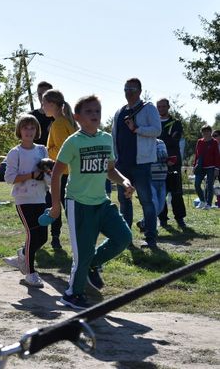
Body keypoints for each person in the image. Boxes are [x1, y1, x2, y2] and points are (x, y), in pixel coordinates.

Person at [48, 95, 133, 309]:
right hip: (78, 203)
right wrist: (56, 205)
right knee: (83, 253)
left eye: (97, 111)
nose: (95, 115)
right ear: (77, 117)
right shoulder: (73, 141)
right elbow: (57, 173)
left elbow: (110, 170)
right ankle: (71, 294)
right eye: (89, 111)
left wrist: (124, 182)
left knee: (123, 237)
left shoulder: (105, 139)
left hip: (101, 203)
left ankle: (93, 265)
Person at [112, 78, 161, 249]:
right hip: (122, 165)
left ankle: (151, 238)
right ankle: (127, 239)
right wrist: (114, 158)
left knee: (146, 201)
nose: (128, 92)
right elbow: (114, 137)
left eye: (132, 89)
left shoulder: (149, 108)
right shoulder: (119, 112)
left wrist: (136, 129)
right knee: (124, 202)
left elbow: (157, 130)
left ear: (140, 91)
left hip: (141, 164)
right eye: (126, 88)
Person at [3, 115, 50, 288]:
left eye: (32, 128)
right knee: (32, 234)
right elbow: (9, 178)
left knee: (43, 237)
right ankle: (30, 273)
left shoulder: (42, 150)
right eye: (25, 128)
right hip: (23, 200)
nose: (29, 131)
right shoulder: (15, 152)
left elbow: (49, 174)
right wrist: (31, 175)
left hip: (40, 198)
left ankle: (22, 255)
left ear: (37, 131)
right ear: (19, 131)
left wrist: (47, 176)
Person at [42, 89, 78, 249]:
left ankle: (57, 238)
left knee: (56, 206)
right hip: (69, 172)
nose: (42, 106)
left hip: (62, 173)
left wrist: (45, 151)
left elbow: (63, 151)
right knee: (62, 206)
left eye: (44, 103)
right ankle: (57, 239)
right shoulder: (66, 121)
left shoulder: (58, 124)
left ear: (52, 104)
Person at [156, 98, 187, 229]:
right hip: (157, 162)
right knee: (160, 192)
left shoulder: (176, 122)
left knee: (176, 192)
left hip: (174, 161)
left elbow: (174, 140)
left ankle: (180, 219)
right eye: (159, 106)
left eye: (163, 106)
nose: (161, 108)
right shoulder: (154, 122)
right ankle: (163, 220)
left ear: (168, 107)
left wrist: (161, 139)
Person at [137, 139, 168, 231]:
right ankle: (151, 229)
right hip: (150, 179)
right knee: (154, 205)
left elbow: (164, 156)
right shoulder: (143, 142)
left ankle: (143, 222)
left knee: (161, 207)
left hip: (162, 178)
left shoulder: (162, 142)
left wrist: (168, 160)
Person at [192, 125, 220, 210]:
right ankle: (202, 201)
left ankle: (208, 204)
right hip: (200, 166)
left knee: (209, 185)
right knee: (196, 184)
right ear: (202, 132)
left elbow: (217, 156)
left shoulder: (214, 142)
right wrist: (194, 165)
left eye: (208, 131)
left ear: (210, 132)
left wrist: (217, 168)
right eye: (204, 131)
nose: (206, 133)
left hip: (211, 167)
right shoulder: (199, 141)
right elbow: (197, 154)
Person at [29, 81, 54, 146]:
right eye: (40, 94)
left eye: (45, 94)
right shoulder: (31, 116)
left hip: (53, 154)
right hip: (34, 154)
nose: (42, 97)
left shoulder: (58, 116)